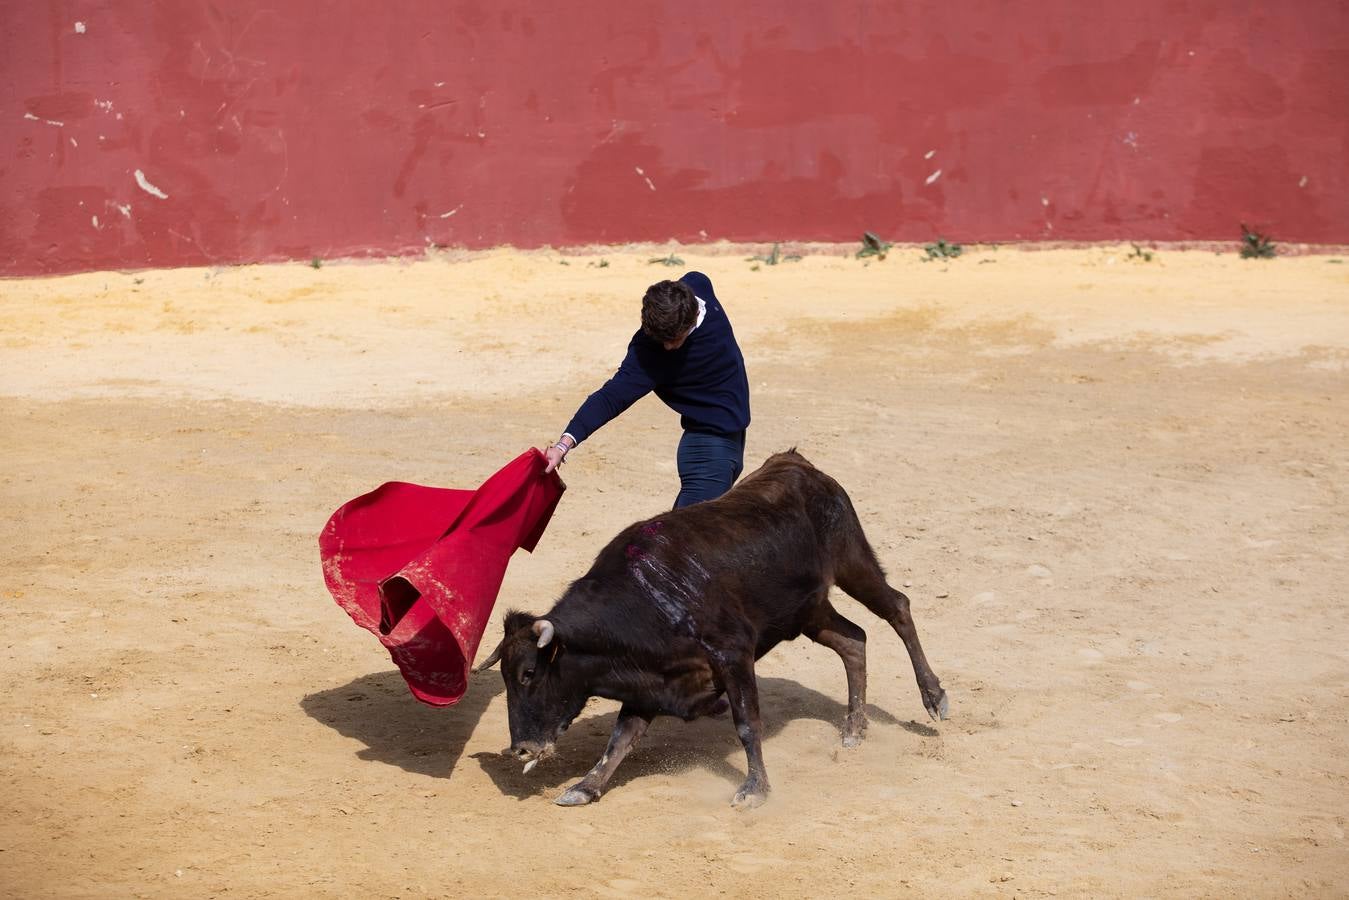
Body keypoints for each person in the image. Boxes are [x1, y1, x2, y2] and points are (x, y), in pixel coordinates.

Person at [543, 271, 750, 508]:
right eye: (661, 339)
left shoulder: (699, 285)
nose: (668, 346)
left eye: (674, 339)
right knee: (688, 540)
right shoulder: (649, 353)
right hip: (708, 449)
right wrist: (563, 445)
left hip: (733, 439)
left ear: (692, 316)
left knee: (697, 536)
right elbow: (610, 398)